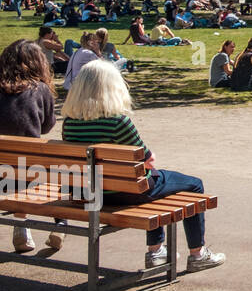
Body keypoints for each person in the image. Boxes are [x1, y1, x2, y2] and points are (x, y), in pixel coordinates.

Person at [62, 60, 225, 271]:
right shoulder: (118, 123)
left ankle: (157, 251)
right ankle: (196, 254)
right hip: (126, 193)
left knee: (151, 180)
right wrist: (151, 158)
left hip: (89, 194)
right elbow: (147, 160)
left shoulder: (69, 124)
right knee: (193, 184)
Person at [0, 40, 59, 252]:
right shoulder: (40, 89)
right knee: (59, 176)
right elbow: (46, 127)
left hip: (3, 173)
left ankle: (22, 227)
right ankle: (59, 224)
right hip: (30, 172)